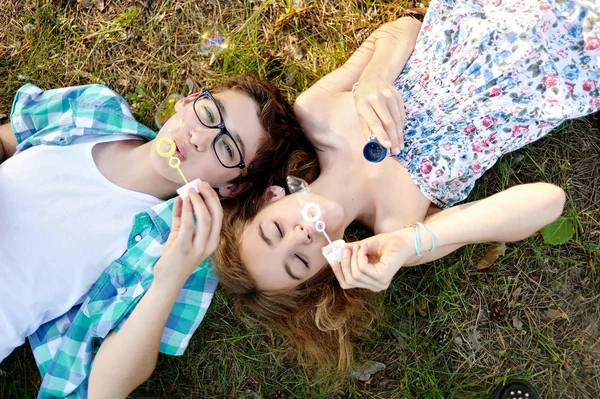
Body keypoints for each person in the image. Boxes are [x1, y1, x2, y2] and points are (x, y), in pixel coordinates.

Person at [213, 0, 600, 375]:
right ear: (328, 268)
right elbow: (547, 201)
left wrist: (374, 80)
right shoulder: (400, 228)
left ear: (271, 196)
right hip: (569, 62)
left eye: (275, 230)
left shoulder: (316, 114)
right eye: (299, 261)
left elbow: (404, 29)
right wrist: (411, 245)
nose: (299, 236)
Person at [0, 76, 308, 397]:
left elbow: (103, 391)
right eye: (210, 112)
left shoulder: (174, 247)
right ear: (188, 101)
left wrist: (168, 279)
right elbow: (8, 139)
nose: (200, 137)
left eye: (228, 147)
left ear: (232, 187)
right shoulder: (94, 109)